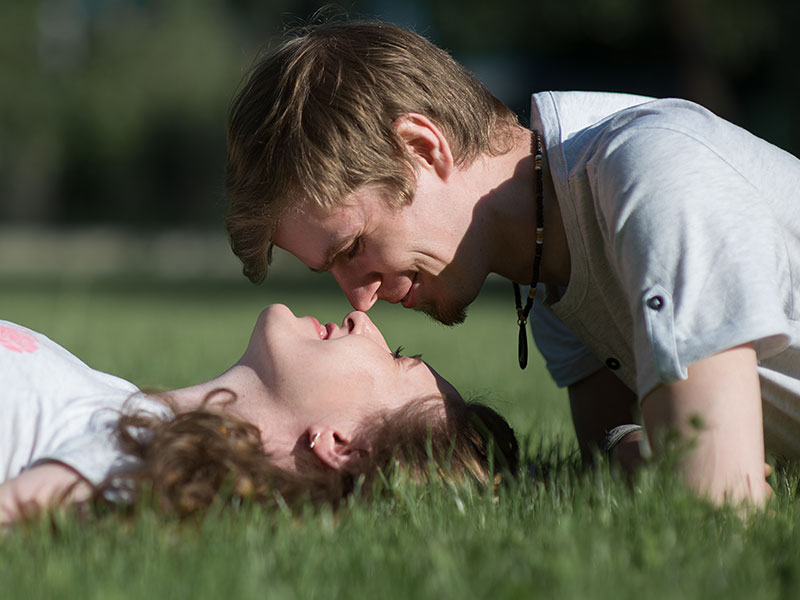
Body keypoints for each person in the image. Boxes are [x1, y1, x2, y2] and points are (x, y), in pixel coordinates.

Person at [224, 20, 800, 508]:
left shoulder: (653, 179)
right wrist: (636, 451)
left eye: (352, 248)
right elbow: (612, 451)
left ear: (423, 148)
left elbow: (717, 501)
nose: (359, 300)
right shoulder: (549, 259)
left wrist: (663, 458)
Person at [0, 305, 518, 525]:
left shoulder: (147, 457)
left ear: (341, 444)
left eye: (394, 355)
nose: (364, 319)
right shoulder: (124, 407)